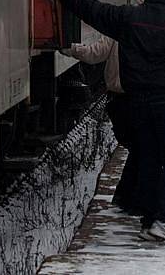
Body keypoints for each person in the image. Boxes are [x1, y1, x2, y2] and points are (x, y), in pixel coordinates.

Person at [39, 0, 165, 245]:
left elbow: (91, 9)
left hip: (136, 100)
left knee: (147, 157)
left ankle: (148, 218)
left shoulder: (130, 18)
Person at [66, 36, 139, 213]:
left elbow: (94, 53)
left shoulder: (119, 30)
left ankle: (126, 198)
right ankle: (129, 198)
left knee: (138, 148)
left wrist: (68, 48)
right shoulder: (152, 32)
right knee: (141, 149)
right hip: (137, 99)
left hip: (119, 98)